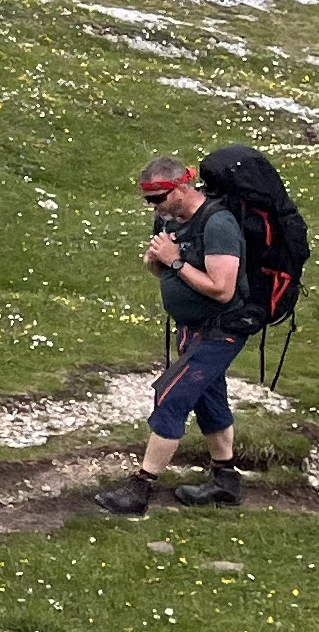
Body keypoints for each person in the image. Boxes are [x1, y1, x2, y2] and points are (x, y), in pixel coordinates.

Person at [101, 154, 246, 516]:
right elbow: (161, 267)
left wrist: (176, 261)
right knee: (208, 399)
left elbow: (222, 289)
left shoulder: (219, 224)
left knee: (171, 396)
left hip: (222, 330)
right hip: (191, 329)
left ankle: (140, 489)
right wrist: (158, 261)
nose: (152, 207)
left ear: (181, 188)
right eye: (147, 200)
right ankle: (225, 482)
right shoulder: (168, 219)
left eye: (157, 198)